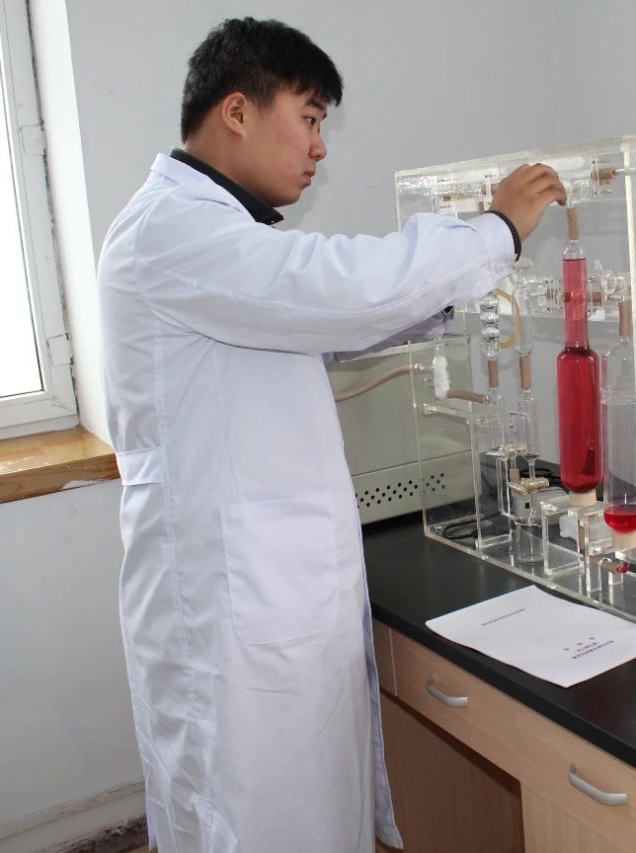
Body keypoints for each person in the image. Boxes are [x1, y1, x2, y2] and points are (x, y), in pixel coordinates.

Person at [97, 17, 565, 853]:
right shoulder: (171, 232)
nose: (319, 146)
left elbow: (322, 320)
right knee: (254, 821)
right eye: (309, 118)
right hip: (230, 613)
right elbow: (334, 288)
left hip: (272, 588)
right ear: (237, 112)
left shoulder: (216, 237)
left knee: (306, 809)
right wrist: (494, 231)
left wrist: (447, 286)